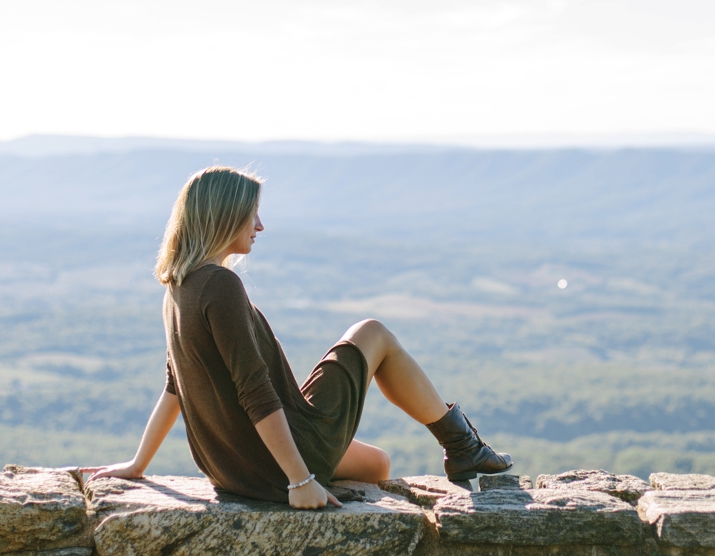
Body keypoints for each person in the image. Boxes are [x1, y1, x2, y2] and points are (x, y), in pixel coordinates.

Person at [81, 166, 511, 509]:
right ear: (226, 217)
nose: (260, 225)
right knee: (372, 333)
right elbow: (256, 392)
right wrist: (299, 480)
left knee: (378, 465)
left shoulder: (178, 287)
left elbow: (175, 387)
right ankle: (462, 445)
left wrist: (140, 465)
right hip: (273, 465)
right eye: (252, 214)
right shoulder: (220, 286)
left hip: (233, 469)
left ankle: (461, 447)